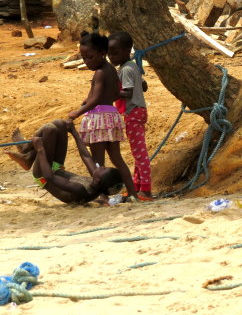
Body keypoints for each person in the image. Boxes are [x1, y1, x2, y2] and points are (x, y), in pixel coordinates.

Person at [68, 32, 139, 200]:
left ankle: (103, 198)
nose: (86, 61)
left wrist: (78, 112)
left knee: (98, 162)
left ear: (102, 53)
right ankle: (133, 194)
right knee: (118, 159)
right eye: (83, 58)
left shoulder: (100, 72)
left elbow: (98, 98)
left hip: (98, 120)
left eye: (89, 57)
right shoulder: (111, 70)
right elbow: (114, 94)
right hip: (111, 116)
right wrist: (92, 97)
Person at [4, 120, 125, 205]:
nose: (102, 166)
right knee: (60, 124)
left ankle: (27, 150)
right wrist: (73, 132)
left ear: (99, 180)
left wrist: (40, 149)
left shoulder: (80, 190)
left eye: (103, 169)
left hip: (43, 175)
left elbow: (48, 176)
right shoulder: (97, 181)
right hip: (56, 169)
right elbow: (85, 155)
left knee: (49, 129)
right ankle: (28, 156)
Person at [107, 32, 153, 200]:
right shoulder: (133, 66)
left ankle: (146, 190)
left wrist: (108, 94)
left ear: (127, 51)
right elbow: (144, 86)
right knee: (137, 153)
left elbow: (127, 92)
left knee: (140, 154)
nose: (111, 57)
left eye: (115, 52)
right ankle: (136, 186)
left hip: (133, 112)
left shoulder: (125, 69)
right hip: (138, 111)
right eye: (109, 53)